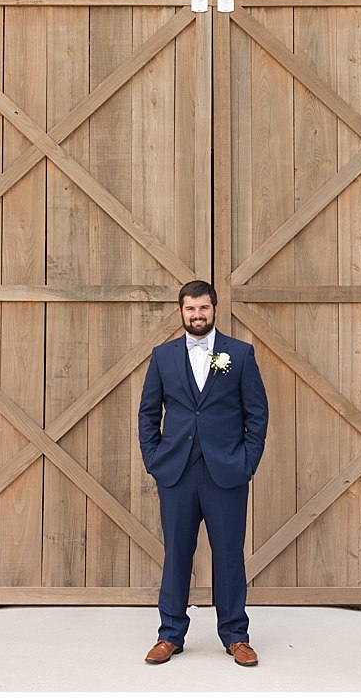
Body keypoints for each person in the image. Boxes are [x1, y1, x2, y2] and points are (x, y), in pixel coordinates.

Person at [139, 279, 269, 667]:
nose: (197, 315)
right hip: (176, 473)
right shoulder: (162, 356)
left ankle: (235, 635)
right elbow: (148, 414)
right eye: (190, 309)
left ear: (215, 310)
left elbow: (257, 414)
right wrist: (154, 459)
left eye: (204, 308)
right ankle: (170, 635)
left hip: (226, 472)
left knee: (229, 555)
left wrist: (246, 463)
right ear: (181, 311)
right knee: (176, 554)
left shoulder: (240, 355)